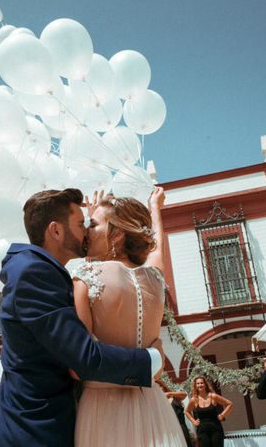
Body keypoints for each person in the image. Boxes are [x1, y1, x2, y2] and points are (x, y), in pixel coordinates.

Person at [0, 188, 165, 447]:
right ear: (56, 230)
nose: (86, 230)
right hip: (35, 429)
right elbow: (83, 359)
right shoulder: (33, 273)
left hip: (75, 417)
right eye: (81, 223)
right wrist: (151, 359)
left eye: (91, 224)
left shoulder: (56, 273)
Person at [71, 187, 188, 446]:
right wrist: (155, 207)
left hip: (103, 409)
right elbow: (158, 250)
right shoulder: (155, 278)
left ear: (118, 233)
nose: (87, 230)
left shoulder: (84, 277)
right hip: (153, 406)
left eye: (93, 224)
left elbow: (80, 365)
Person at [184, 376, 233, 447]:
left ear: (205, 385)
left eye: (202, 383)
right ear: (195, 386)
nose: (200, 385)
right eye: (198, 383)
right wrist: (193, 421)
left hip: (216, 429)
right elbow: (187, 411)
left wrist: (222, 415)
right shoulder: (194, 400)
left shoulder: (213, 396)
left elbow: (229, 404)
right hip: (202, 430)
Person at [157, 379, 194, 447]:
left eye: (160, 386)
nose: (159, 388)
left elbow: (184, 394)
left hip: (181, 427)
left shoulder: (174, 397)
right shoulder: (157, 401)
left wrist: (169, 393)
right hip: (168, 429)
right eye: (157, 386)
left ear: (163, 387)